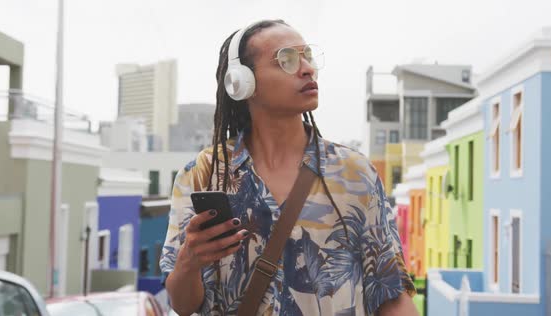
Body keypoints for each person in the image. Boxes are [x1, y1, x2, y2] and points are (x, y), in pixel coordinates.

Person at [160, 19, 417, 316]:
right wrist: (189, 261)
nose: (306, 68)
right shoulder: (202, 174)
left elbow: (390, 293)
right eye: (286, 60)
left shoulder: (355, 173)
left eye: (307, 55)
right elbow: (182, 304)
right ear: (243, 83)